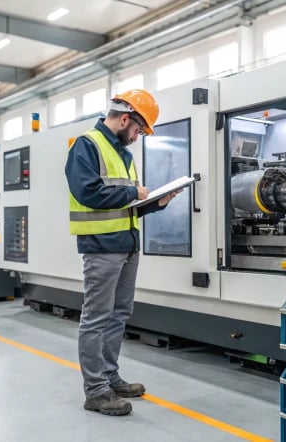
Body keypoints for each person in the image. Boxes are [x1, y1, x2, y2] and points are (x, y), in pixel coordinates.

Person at [65, 89, 179, 416]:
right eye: (139, 130)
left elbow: (125, 205)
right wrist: (133, 192)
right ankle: (96, 391)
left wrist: (154, 203)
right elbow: (88, 193)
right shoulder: (86, 145)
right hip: (101, 246)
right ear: (125, 119)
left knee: (119, 313)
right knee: (96, 317)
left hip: (127, 243)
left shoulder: (123, 154)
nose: (137, 136)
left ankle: (109, 376)